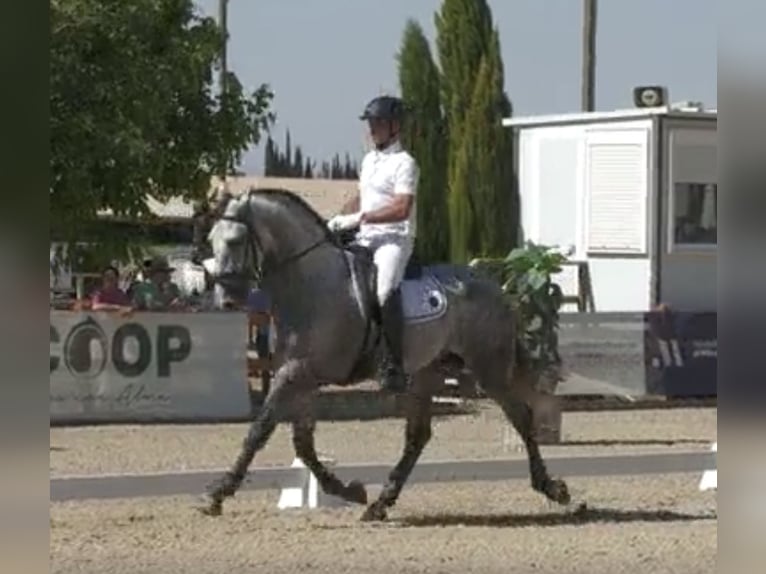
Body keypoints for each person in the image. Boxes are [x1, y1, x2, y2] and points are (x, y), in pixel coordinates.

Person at [327, 95, 419, 393]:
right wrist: (335, 219)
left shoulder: (405, 163)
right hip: (365, 237)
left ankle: (394, 364)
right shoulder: (369, 161)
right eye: (370, 124)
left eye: (377, 123)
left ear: (394, 126)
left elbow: (402, 208)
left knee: (382, 291)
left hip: (394, 239)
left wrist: (361, 217)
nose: (372, 129)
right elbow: (360, 197)